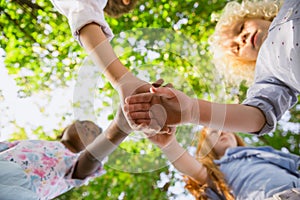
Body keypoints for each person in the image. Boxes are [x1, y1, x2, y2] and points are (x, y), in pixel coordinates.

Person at [124, 0, 300, 135]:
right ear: (244, 64)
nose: (242, 39)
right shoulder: (270, 75)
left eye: (241, 28)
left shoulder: (288, 6)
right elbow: (257, 115)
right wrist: (192, 111)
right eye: (237, 48)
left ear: (258, 15)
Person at [0, 107, 131, 200]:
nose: (86, 129)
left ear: (93, 145)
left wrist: (119, 128)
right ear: (64, 130)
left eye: (93, 133)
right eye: (83, 124)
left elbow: (92, 158)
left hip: (24, 191)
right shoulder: (32, 142)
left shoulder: (76, 162)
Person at [145, 127, 300, 199]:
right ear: (206, 145)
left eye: (225, 129)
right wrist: (169, 144)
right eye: (214, 132)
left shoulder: (260, 153)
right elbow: (192, 170)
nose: (222, 132)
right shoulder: (217, 171)